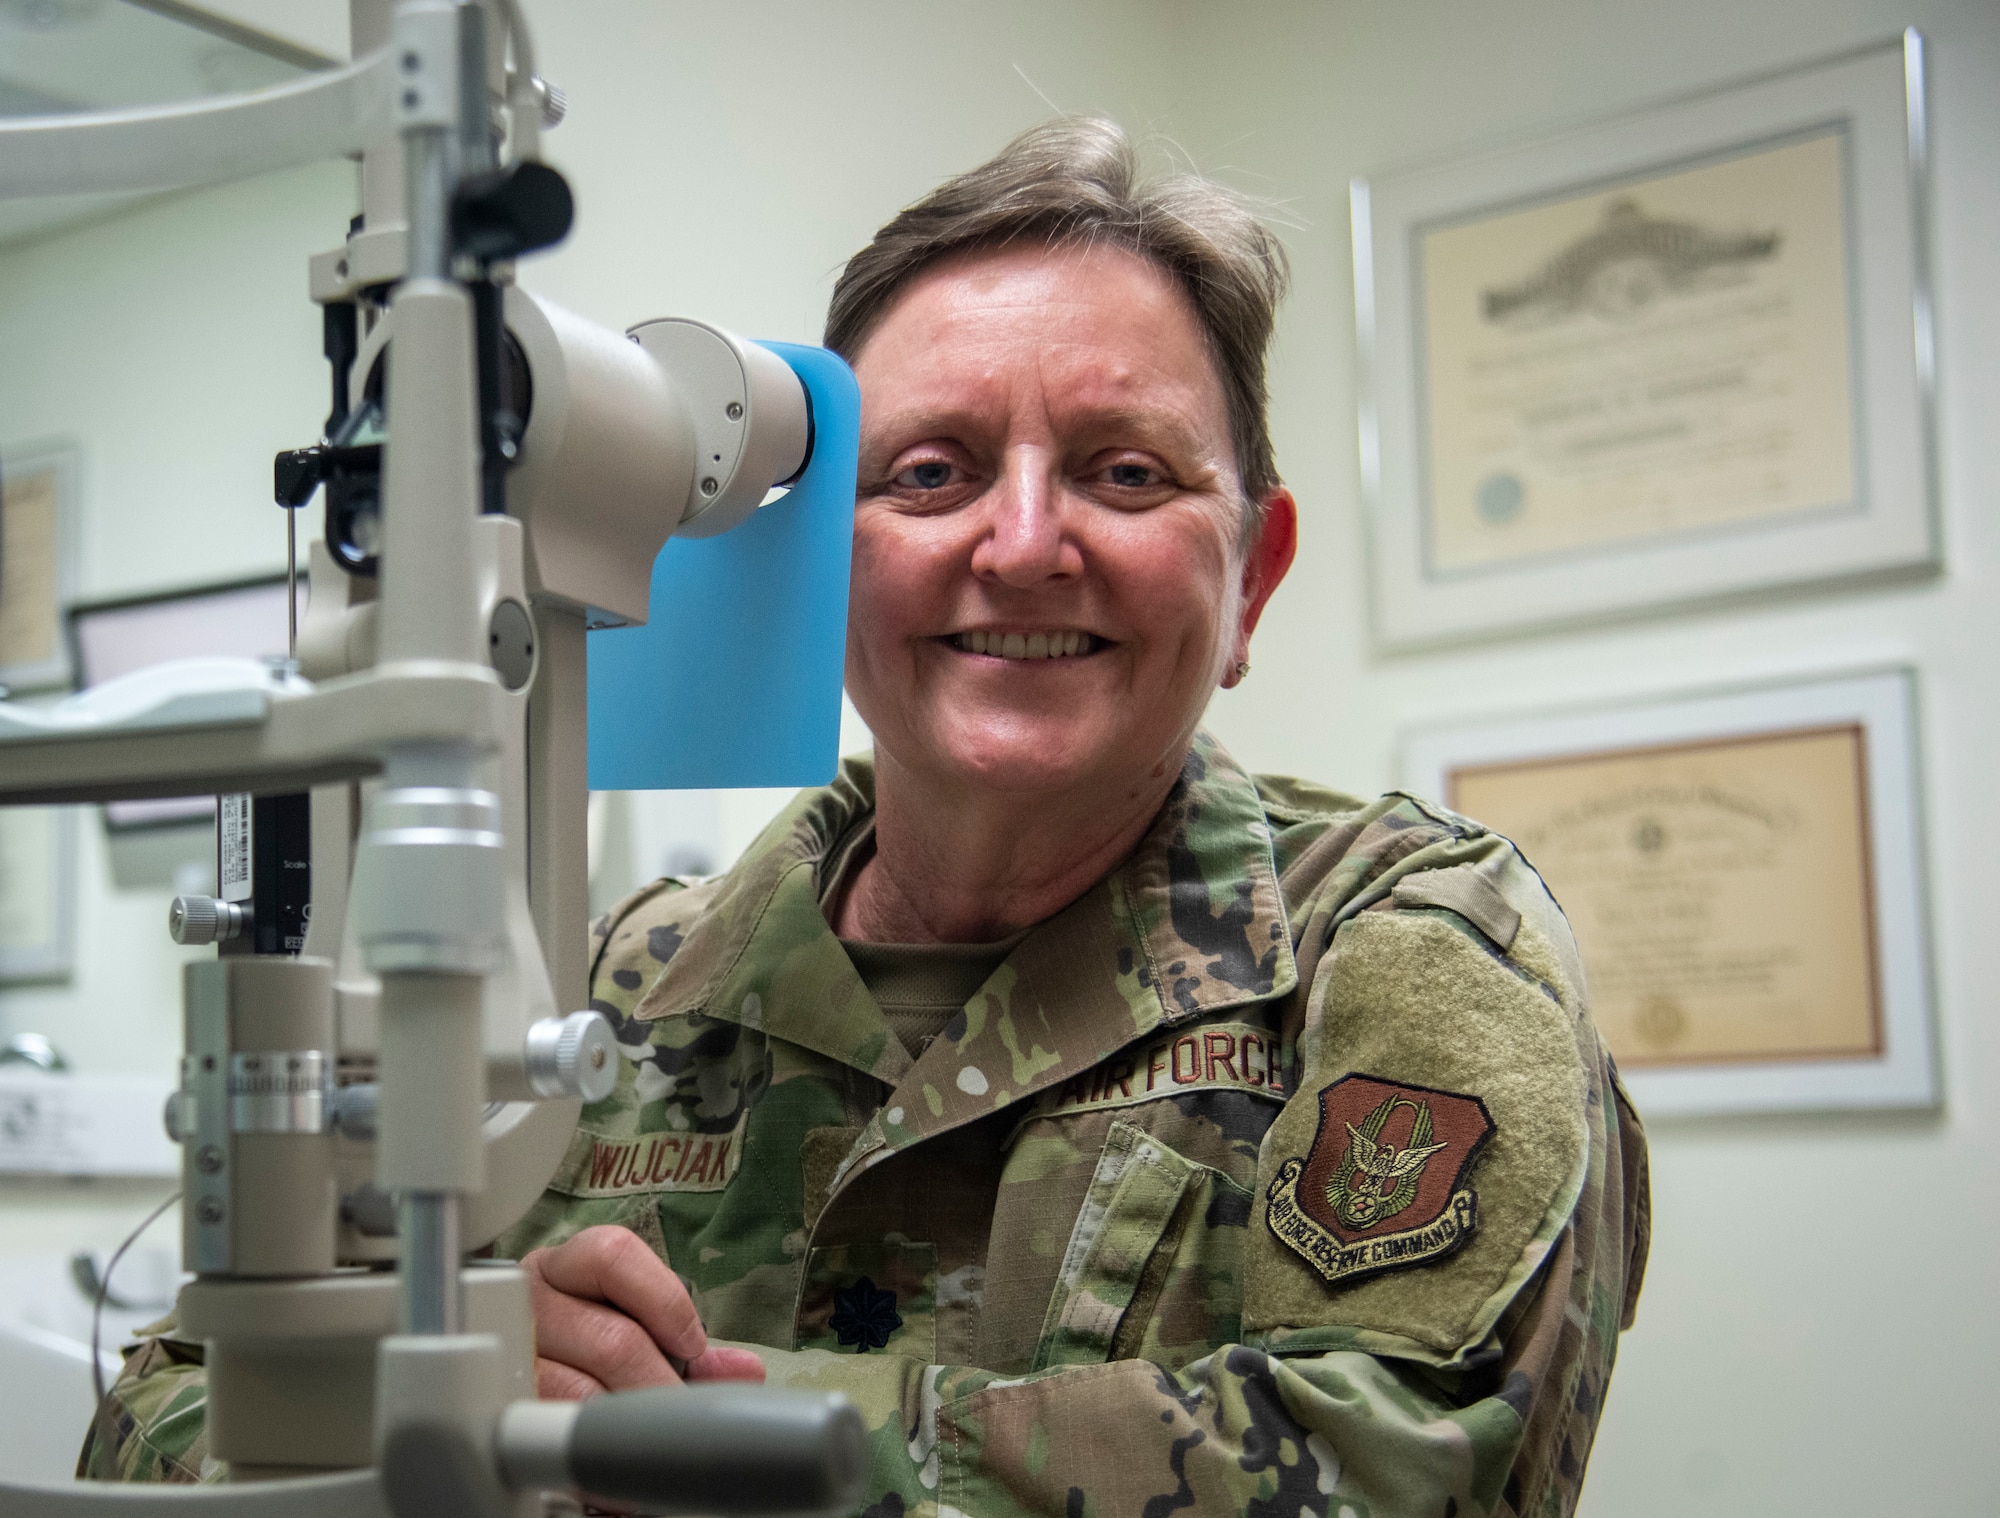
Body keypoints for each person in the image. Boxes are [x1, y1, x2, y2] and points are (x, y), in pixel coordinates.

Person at [90, 118, 1649, 1516]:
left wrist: (673, 1441)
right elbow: (165, 1399)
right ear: (825, 564)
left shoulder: (1408, 948)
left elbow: (1405, 1463)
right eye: (930, 472)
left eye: (1124, 471)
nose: (1026, 543)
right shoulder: (604, 987)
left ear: (1256, 576)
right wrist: (427, 1398)